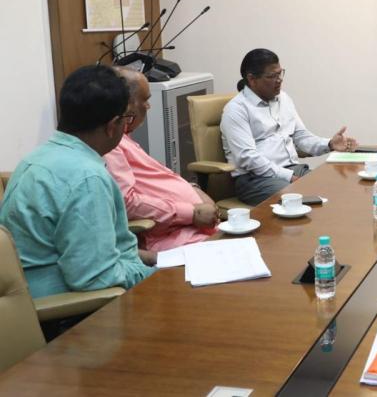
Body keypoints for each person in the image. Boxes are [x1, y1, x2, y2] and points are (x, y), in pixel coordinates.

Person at [0, 65, 155, 299]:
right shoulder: (87, 179)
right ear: (112, 125)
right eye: (127, 120)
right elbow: (96, 278)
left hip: (31, 294)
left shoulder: (37, 158)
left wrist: (149, 259)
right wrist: (154, 274)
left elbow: (89, 249)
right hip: (70, 309)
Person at [221, 49, 359, 206]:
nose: (279, 80)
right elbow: (248, 158)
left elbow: (301, 137)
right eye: (272, 76)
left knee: (337, 187)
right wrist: (289, 177)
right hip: (256, 179)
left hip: (292, 169)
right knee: (302, 198)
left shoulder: (283, 99)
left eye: (280, 74)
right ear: (252, 79)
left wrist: (330, 144)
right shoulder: (236, 110)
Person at [104, 68, 219, 252]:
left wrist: (193, 189)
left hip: (195, 227)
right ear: (126, 103)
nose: (148, 107)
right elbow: (127, 203)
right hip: (175, 235)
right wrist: (192, 212)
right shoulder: (110, 144)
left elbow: (158, 181)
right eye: (145, 100)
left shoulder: (124, 138)